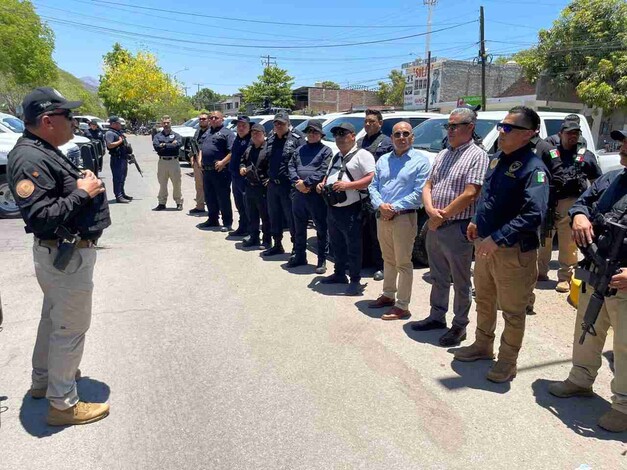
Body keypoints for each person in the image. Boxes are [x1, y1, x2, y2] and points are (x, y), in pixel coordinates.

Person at [7, 87, 111, 426]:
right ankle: (63, 405)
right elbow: (40, 216)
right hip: (64, 255)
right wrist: (83, 193)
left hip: (61, 254)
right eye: (69, 116)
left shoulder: (42, 148)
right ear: (48, 121)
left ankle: (43, 381)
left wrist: (80, 184)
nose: (74, 121)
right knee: (70, 327)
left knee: (54, 319)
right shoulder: (31, 156)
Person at [453, 106, 549, 383]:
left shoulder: (534, 169)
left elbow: (534, 213)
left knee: (513, 310)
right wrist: (476, 221)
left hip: (512, 251)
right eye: (501, 125)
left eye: (509, 128)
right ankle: (483, 345)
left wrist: (498, 237)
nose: (502, 131)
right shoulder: (496, 160)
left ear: (528, 134)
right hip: (486, 245)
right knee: (483, 299)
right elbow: (488, 196)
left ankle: (507, 362)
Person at [547, 129, 627, 433]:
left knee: (624, 346)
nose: (623, 147)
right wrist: (579, 216)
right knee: (588, 328)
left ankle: (623, 406)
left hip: (624, 280)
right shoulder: (614, 178)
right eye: (622, 142)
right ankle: (580, 380)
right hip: (597, 270)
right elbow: (583, 201)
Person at [411, 108, 489, 345]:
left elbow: (471, 193)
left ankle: (459, 326)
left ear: (470, 127)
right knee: (438, 275)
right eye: (449, 126)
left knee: (461, 280)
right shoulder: (444, 154)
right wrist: (429, 210)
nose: (451, 130)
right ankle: (437, 316)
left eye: (455, 126)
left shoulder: (477, 156)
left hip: (457, 227)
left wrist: (441, 216)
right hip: (435, 224)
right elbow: (428, 185)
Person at [367, 121, 431, 319]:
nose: (401, 137)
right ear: (392, 137)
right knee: (388, 259)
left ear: (412, 137)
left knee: (403, 263)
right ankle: (388, 294)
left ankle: (402, 305)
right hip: (382, 216)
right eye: (397, 134)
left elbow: (419, 193)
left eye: (406, 134)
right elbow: (372, 186)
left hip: (404, 217)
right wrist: (381, 205)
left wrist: (392, 207)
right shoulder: (383, 160)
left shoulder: (421, 162)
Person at [537, 119, 602, 292]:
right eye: (569, 133)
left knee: (568, 242)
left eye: (576, 133)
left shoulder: (585, 155)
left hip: (570, 203)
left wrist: (590, 205)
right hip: (549, 201)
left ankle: (565, 277)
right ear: (560, 134)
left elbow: (597, 181)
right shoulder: (551, 152)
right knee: (544, 239)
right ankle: (540, 272)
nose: (572, 136)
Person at [316, 122, 375, 296]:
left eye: (343, 133)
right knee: (336, 244)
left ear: (353, 136)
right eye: (336, 134)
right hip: (333, 207)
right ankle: (339, 273)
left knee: (354, 246)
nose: (339, 137)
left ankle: (355, 280)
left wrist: (349, 186)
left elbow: (371, 177)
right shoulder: (336, 156)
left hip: (352, 209)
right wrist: (322, 184)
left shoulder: (362, 155)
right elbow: (328, 175)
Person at [287, 119, 333, 272]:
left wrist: (306, 184)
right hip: (299, 194)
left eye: (315, 132)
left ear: (320, 134)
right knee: (298, 227)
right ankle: (300, 255)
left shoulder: (326, 150)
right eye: (309, 132)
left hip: (315, 195)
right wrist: (297, 183)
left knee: (321, 227)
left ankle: (321, 260)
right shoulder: (299, 150)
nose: (312, 134)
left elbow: (323, 170)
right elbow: (291, 167)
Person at [262, 111, 304, 256]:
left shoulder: (297, 138)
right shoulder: (271, 138)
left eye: (281, 123)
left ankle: (296, 249)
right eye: (276, 123)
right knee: (274, 216)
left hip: (288, 186)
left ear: (288, 124)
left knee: (291, 218)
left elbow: (302, 162)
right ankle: (277, 244)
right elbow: (267, 159)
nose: (278, 126)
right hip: (273, 185)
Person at [358, 109, 394, 281]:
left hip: (378, 193)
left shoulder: (387, 142)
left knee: (378, 232)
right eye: (366, 121)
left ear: (380, 123)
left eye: (372, 121)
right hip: (361, 193)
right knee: (364, 229)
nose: (367, 124)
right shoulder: (361, 141)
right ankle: (366, 260)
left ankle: (381, 266)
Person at [197, 111, 235, 232]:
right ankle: (212, 219)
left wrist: (223, 162)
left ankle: (227, 222)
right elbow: (202, 148)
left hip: (221, 171)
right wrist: (200, 160)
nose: (213, 119)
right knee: (209, 197)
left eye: (216, 117)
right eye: (211, 117)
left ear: (222, 119)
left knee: (223, 197)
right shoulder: (207, 132)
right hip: (207, 171)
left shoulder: (227, 133)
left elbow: (232, 151)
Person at [240, 124, 271, 248]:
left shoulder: (268, 149)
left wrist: (269, 180)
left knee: (265, 216)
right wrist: (242, 167)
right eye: (253, 133)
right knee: (251, 214)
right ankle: (254, 237)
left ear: (264, 134)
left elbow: (272, 167)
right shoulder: (249, 149)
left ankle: (267, 240)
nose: (254, 135)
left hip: (262, 187)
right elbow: (242, 161)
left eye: (257, 133)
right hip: (249, 186)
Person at [152, 115, 183, 211]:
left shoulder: (177, 135)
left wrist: (164, 145)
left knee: (177, 183)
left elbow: (177, 145)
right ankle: (162, 203)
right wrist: (170, 144)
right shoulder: (157, 136)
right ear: (162, 123)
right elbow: (157, 147)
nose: (166, 124)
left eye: (168, 122)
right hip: (162, 162)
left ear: (171, 123)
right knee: (162, 183)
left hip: (174, 162)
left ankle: (179, 202)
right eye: (164, 123)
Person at [228, 116, 252, 236]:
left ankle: (250, 230)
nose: (241, 128)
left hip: (245, 178)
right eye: (239, 126)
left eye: (244, 126)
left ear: (249, 127)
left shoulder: (251, 140)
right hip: (235, 177)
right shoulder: (237, 139)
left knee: (248, 206)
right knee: (239, 205)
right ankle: (242, 227)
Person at [104, 115, 131, 203]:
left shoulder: (118, 132)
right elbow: (109, 145)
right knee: (117, 178)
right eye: (119, 123)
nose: (120, 125)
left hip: (123, 158)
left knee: (123, 177)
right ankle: (118, 196)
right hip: (117, 159)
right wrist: (120, 141)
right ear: (113, 124)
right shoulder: (110, 133)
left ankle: (122, 193)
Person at [189, 112, 210, 215]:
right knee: (199, 185)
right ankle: (200, 206)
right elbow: (193, 145)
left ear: (208, 120)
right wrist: (192, 157)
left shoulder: (212, 131)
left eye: (204, 119)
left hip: (208, 163)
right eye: (200, 119)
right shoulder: (197, 132)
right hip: (197, 163)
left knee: (211, 186)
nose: (202, 121)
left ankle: (215, 208)